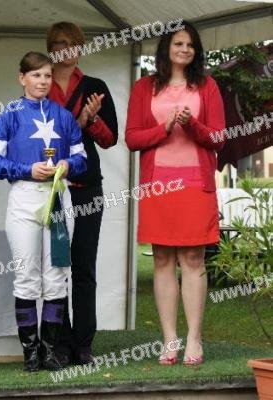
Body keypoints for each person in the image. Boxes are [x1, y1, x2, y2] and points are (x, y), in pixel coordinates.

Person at [125, 21, 225, 366]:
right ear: (166, 47)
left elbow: (218, 138)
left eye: (190, 45)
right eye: (178, 43)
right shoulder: (144, 87)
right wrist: (165, 127)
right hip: (158, 186)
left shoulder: (208, 86)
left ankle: (194, 338)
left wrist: (190, 124)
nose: (184, 50)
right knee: (163, 259)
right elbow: (132, 138)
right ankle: (170, 339)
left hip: (195, 185)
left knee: (193, 259)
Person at [0, 51, 87, 372]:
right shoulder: (7, 116)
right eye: (36, 75)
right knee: (26, 276)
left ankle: (50, 350)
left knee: (56, 278)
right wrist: (27, 169)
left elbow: (82, 159)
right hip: (24, 198)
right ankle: (30, 352)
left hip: (58, 198)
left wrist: (67, 164)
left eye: (47, 75)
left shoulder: (64, 116)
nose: (42, 81)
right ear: (22, 78)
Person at [46, 21, 119, 366]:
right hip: (50, 189)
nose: (67, 49)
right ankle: (60, 342)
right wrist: (79, 120)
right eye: (61, 43)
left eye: (74, 43)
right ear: (51, 48)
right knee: (56, 265)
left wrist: (91, 120)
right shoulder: (41, 85)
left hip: (87, 185)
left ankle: (84, 343)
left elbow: (110, 139)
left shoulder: (95, 87)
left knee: (84, 265)